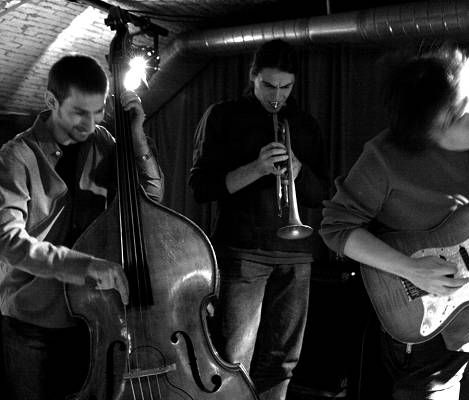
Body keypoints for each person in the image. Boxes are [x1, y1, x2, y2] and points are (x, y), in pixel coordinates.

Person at [319, 47, 469, 399]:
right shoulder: (385, 157)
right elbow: (335, 227)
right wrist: (410, 268)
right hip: (423, 340)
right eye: (455, 117)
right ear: (425, 132)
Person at [0, 54, 164, 400]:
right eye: (79, 112)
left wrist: (135, 134)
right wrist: (84, 266)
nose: (90, 123)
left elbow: (150, 197)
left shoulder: (104, 142)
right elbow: (9, 240)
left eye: (99, 111)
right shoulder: (16, 156)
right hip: (35, 322)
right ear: (51, 101)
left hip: (92, 319)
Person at [188, 39, 329, 400]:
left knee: (284, 361)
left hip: (296, 255)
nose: (277, 95)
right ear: (253, 77)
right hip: (242, 251)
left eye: (286, 87)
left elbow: (321, 194)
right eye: (268, 85)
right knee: (234, 357)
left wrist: (297, 171)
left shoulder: (306, 124)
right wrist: (256, 168)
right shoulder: (223, 115)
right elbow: (200, 187)